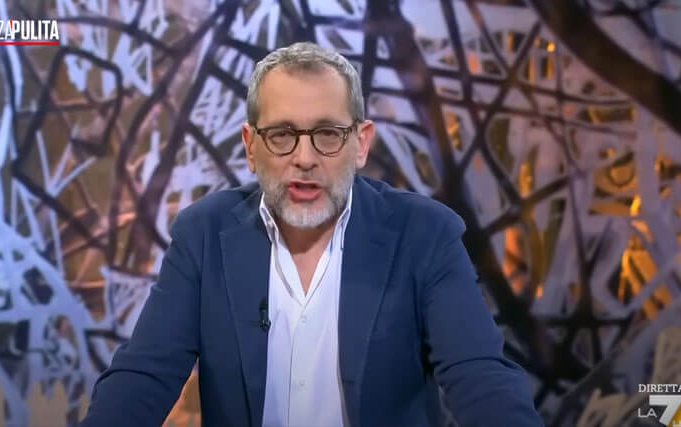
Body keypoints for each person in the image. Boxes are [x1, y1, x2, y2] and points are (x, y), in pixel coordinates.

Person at [81, 42, 543, 427]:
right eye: (282, 134)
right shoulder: (203, 235)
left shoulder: (424, 235)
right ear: (250, 146)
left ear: (360, 143)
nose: (305, 158)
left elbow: (480, 377)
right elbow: (142, 378)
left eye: (327, 133)